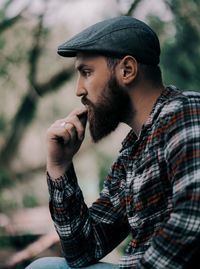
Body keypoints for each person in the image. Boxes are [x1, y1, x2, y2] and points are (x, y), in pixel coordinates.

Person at [26, 16, 200, 269]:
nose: (79, 90)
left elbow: (193, 220)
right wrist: (59, 166)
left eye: (86, 72)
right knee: (44, 268)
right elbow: (83, 250)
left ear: (127, 70)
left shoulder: (187, 115)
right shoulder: (133, 151)